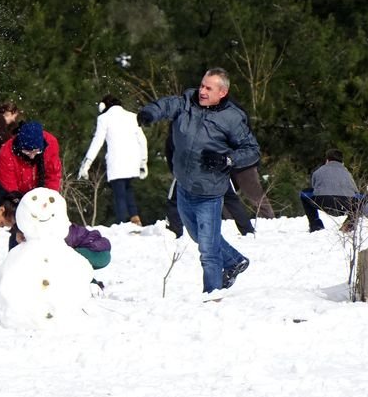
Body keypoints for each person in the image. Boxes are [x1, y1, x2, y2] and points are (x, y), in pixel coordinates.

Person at [138, 67, 260, 293]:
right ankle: (235, 261)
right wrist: (149, 112)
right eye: (202, 85)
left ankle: (211, 294)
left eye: (208, 88)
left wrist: (227, 159)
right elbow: (166, 105)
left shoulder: (232, 118)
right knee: (198, 236)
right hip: (185, 187)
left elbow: (252, 150)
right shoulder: (187, 101)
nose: (201, 91)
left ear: (222, 92)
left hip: (209, 193)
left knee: (208, 250)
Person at [78, 94, 148, 226]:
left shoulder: (104, 119)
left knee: (119, 194)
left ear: (103, 106)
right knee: (128, 188)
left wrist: (86, 163)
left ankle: (122, 223)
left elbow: (97, 142)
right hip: (133, 160)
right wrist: (143, 161)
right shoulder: (132, 116)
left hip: (117, 162)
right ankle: (135, 218)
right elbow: (142, 140)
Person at [0, 121, 62, 248]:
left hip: (42, 190)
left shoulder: (51, 144)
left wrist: (48, 203)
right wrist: (19, 226)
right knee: (20, 236)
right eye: (27, 152)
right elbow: (10, 192)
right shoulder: (6, 153)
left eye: (36, 152)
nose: (32, 156)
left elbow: (53, 176)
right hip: (18, 196)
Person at [300, 148, 368, 233]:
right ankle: (350, 225)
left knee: (304, 193)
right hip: (345, 204)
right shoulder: (347, 173)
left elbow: (314, 187)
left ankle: (316, 225)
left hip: (323, 201)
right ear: (342, 162)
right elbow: (356, 192)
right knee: (359, 200)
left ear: (327, 160)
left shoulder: (318, 171)